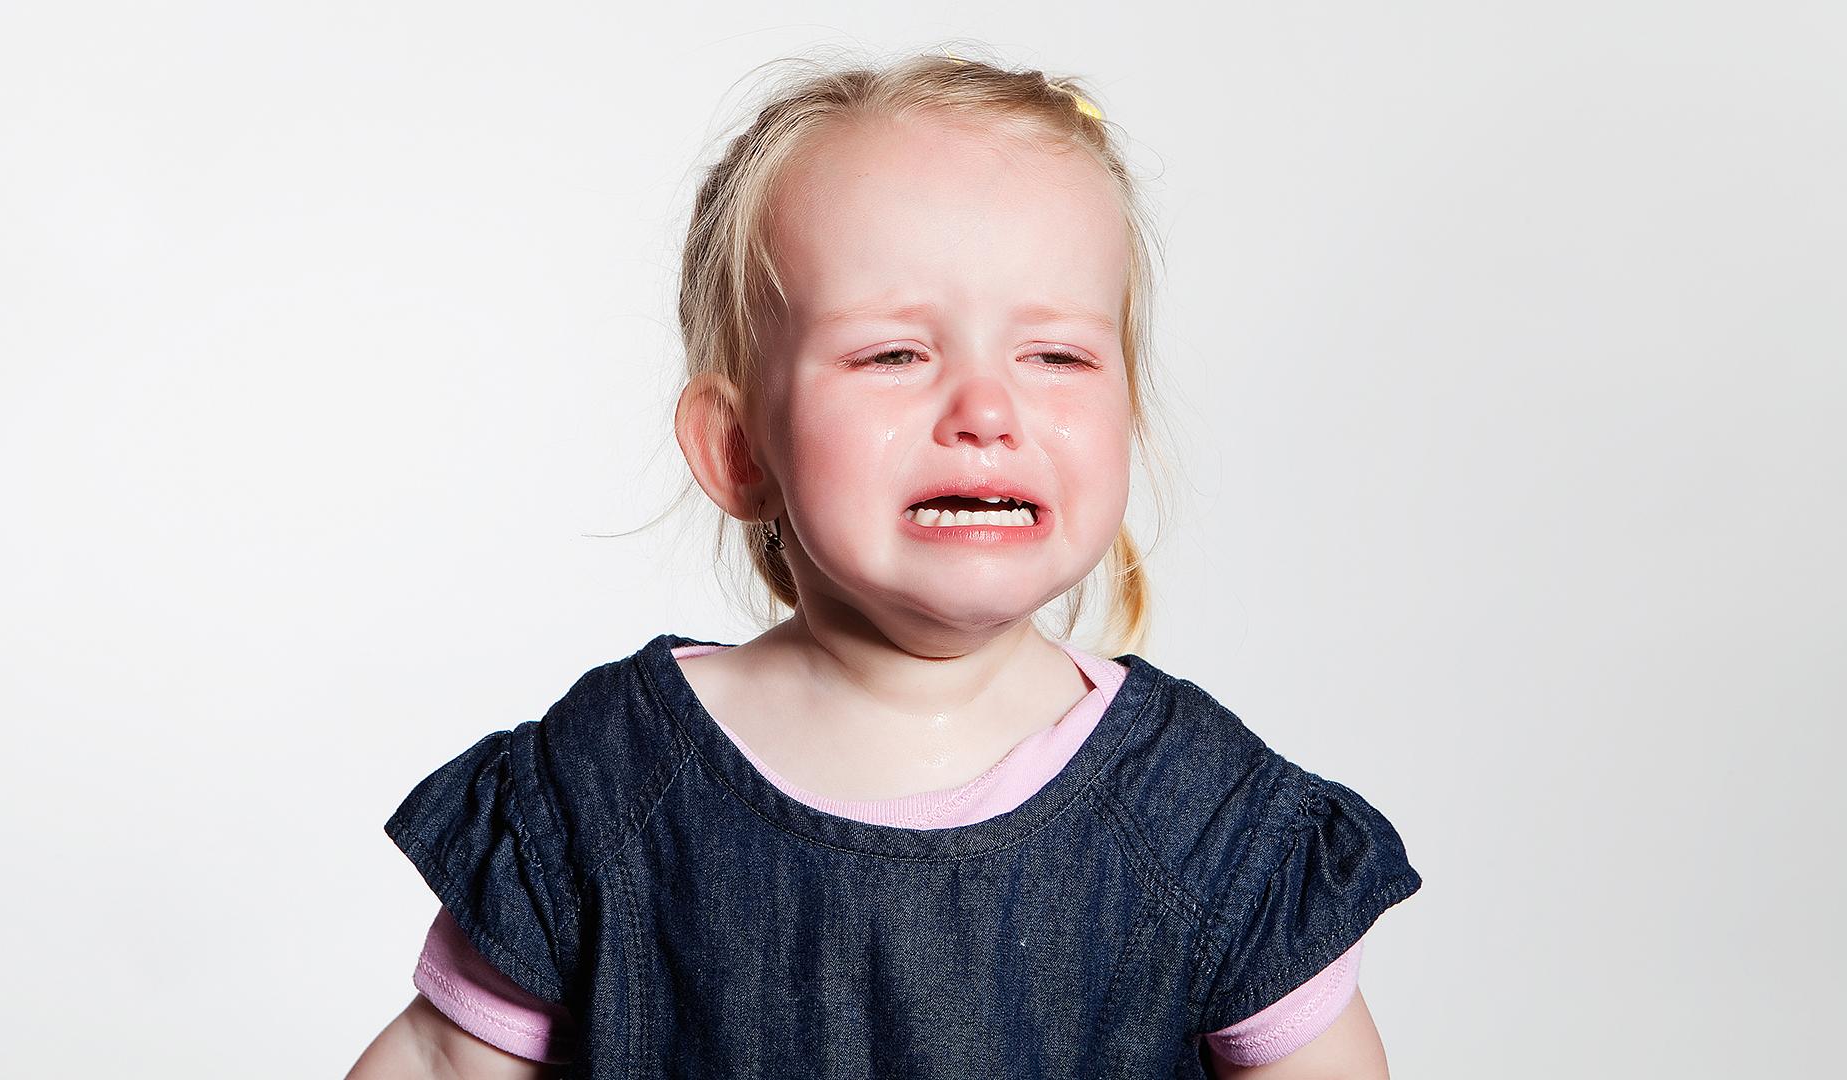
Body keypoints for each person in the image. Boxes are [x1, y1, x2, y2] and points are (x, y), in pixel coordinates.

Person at [348, 48, 1422, 1080]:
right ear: (738, 448)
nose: (988, 411)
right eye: (896, 355)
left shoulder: (1206, 822)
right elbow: (444, 1058)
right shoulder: (606, 787)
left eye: (1055, 355)